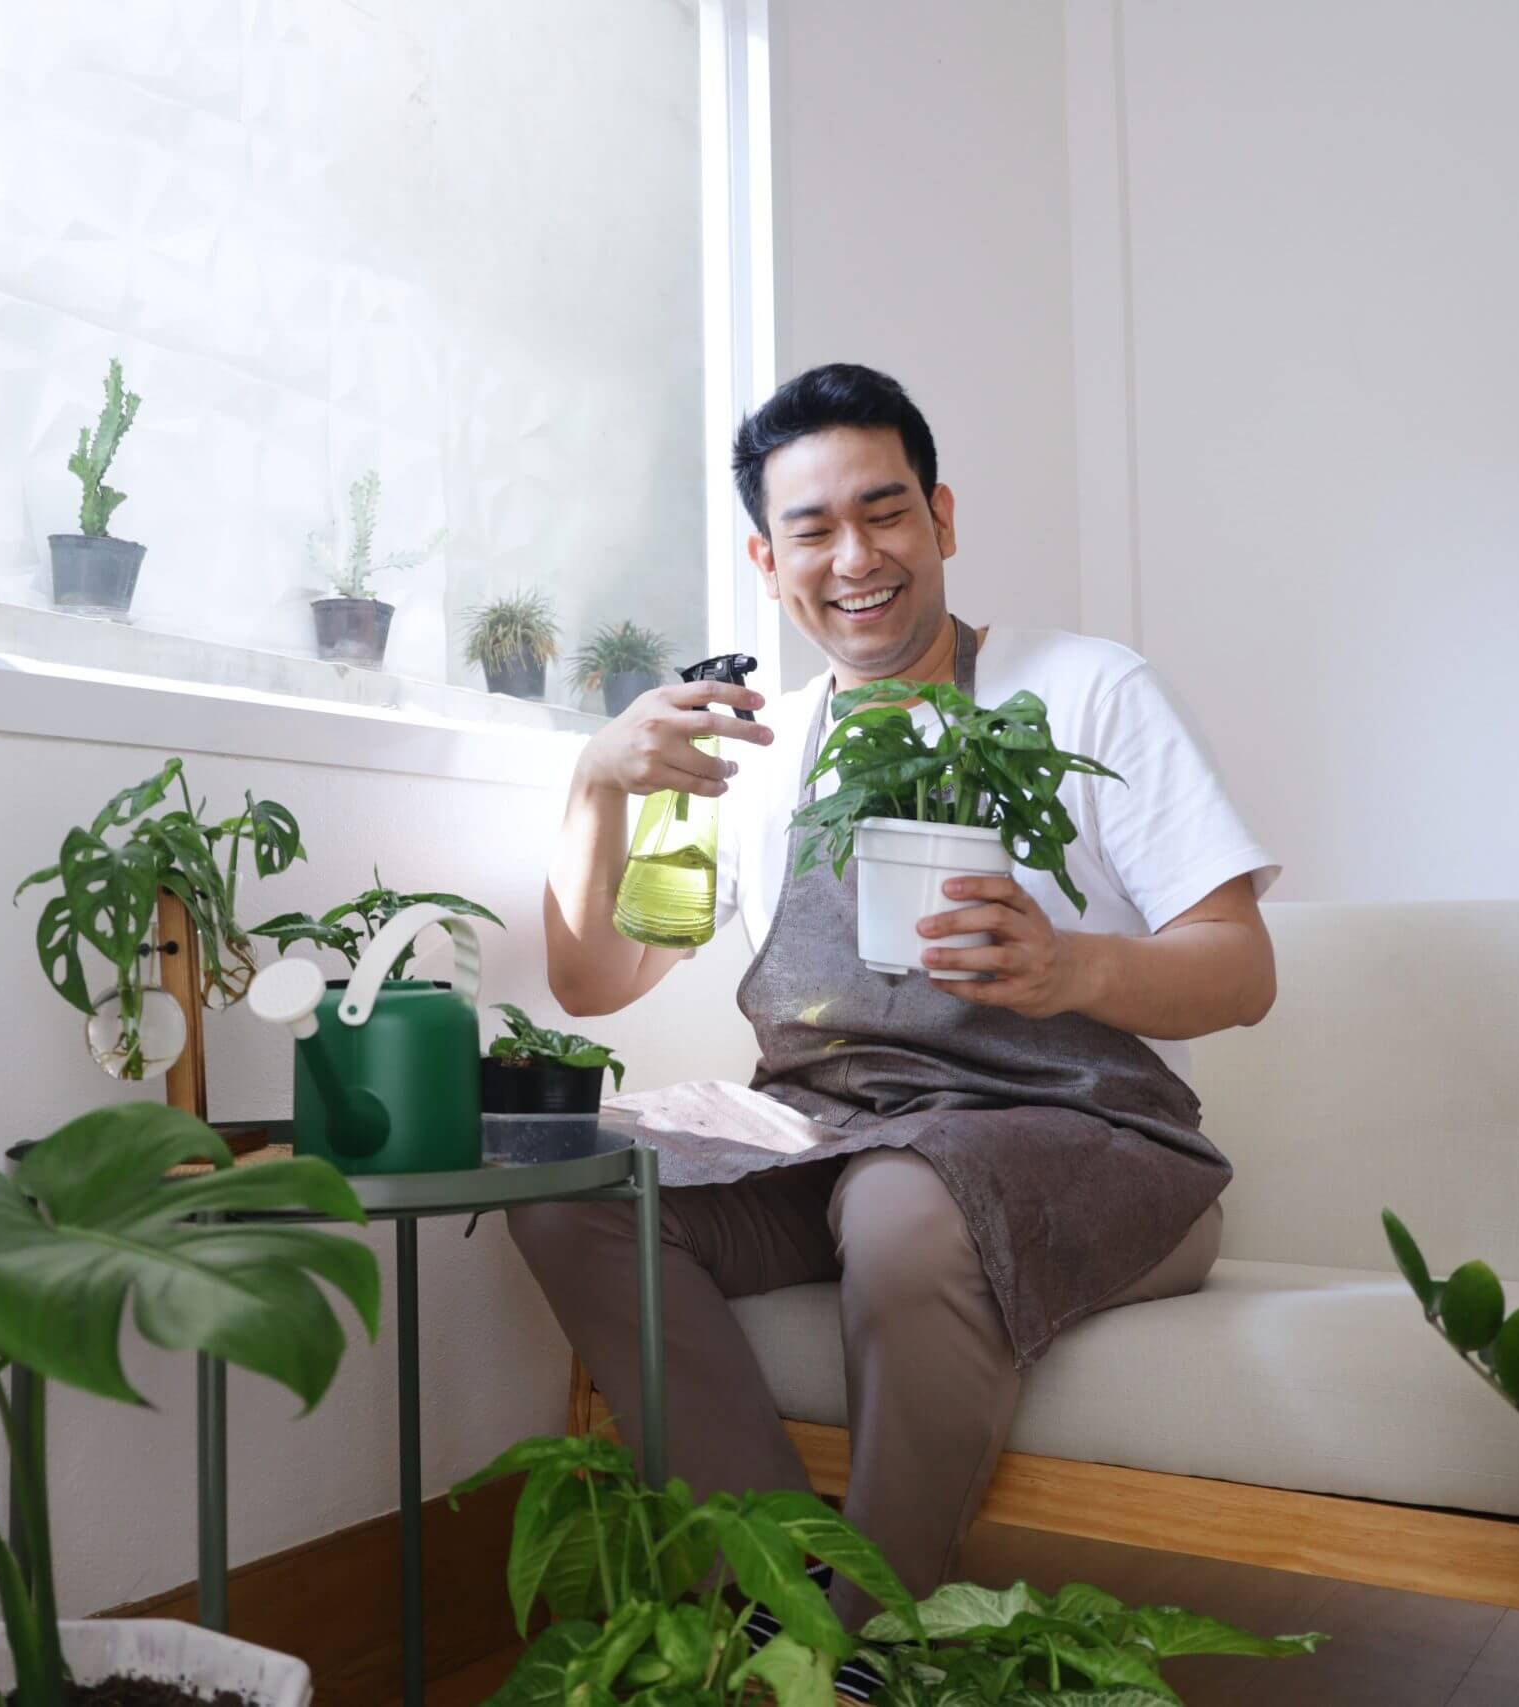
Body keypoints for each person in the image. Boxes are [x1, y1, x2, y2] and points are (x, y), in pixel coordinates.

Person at [508, 363, 1280, 1631]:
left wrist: (1071, 967)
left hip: (1094, 1142)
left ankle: (873, 1640)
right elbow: (595, 978)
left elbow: (1241, 967)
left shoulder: (1086, 690)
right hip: (827, 1138)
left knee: (901, 1200)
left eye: (886, 512)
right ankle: (767, 1607)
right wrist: (597, 782)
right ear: (769, 563)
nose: (856, 556)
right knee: (570, 1179)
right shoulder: (755, 756)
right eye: (813, 529)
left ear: (942, 519)